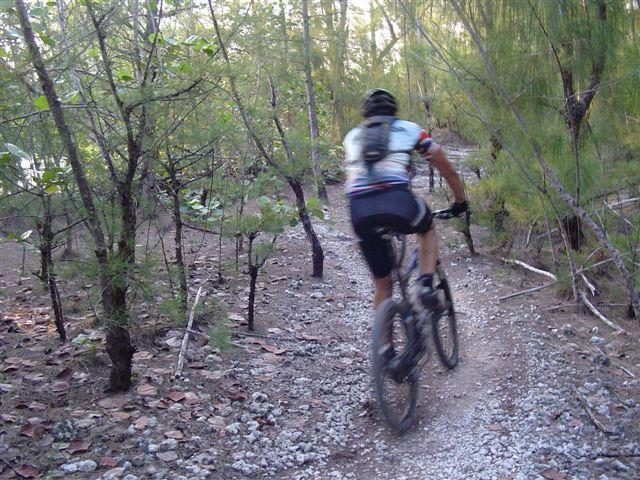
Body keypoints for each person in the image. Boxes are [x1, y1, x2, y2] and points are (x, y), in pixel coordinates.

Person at [344, 88, 468, 310]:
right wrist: (460, 202)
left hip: (358, 210)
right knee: (427, 227)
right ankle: (425, 285)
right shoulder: (409, 129)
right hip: (397, 201)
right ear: (394, 112)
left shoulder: (352, 136)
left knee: (383, 286)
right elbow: (447, 170)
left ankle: (383, 344)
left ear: (365, 115)